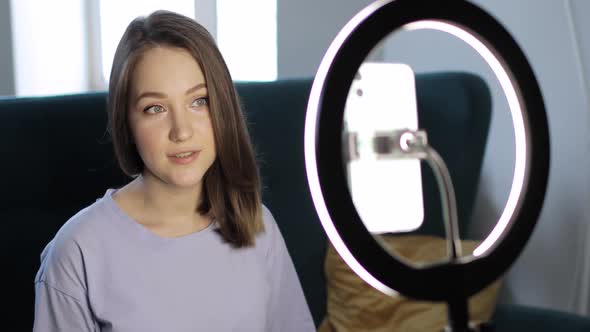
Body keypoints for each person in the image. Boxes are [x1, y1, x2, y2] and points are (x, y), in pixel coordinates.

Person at [33, 10, 315, 331]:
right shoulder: (75, 252)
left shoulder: (256, 223)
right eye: (156, 108)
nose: (181, 131)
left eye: (199, 101)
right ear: (126, 122)